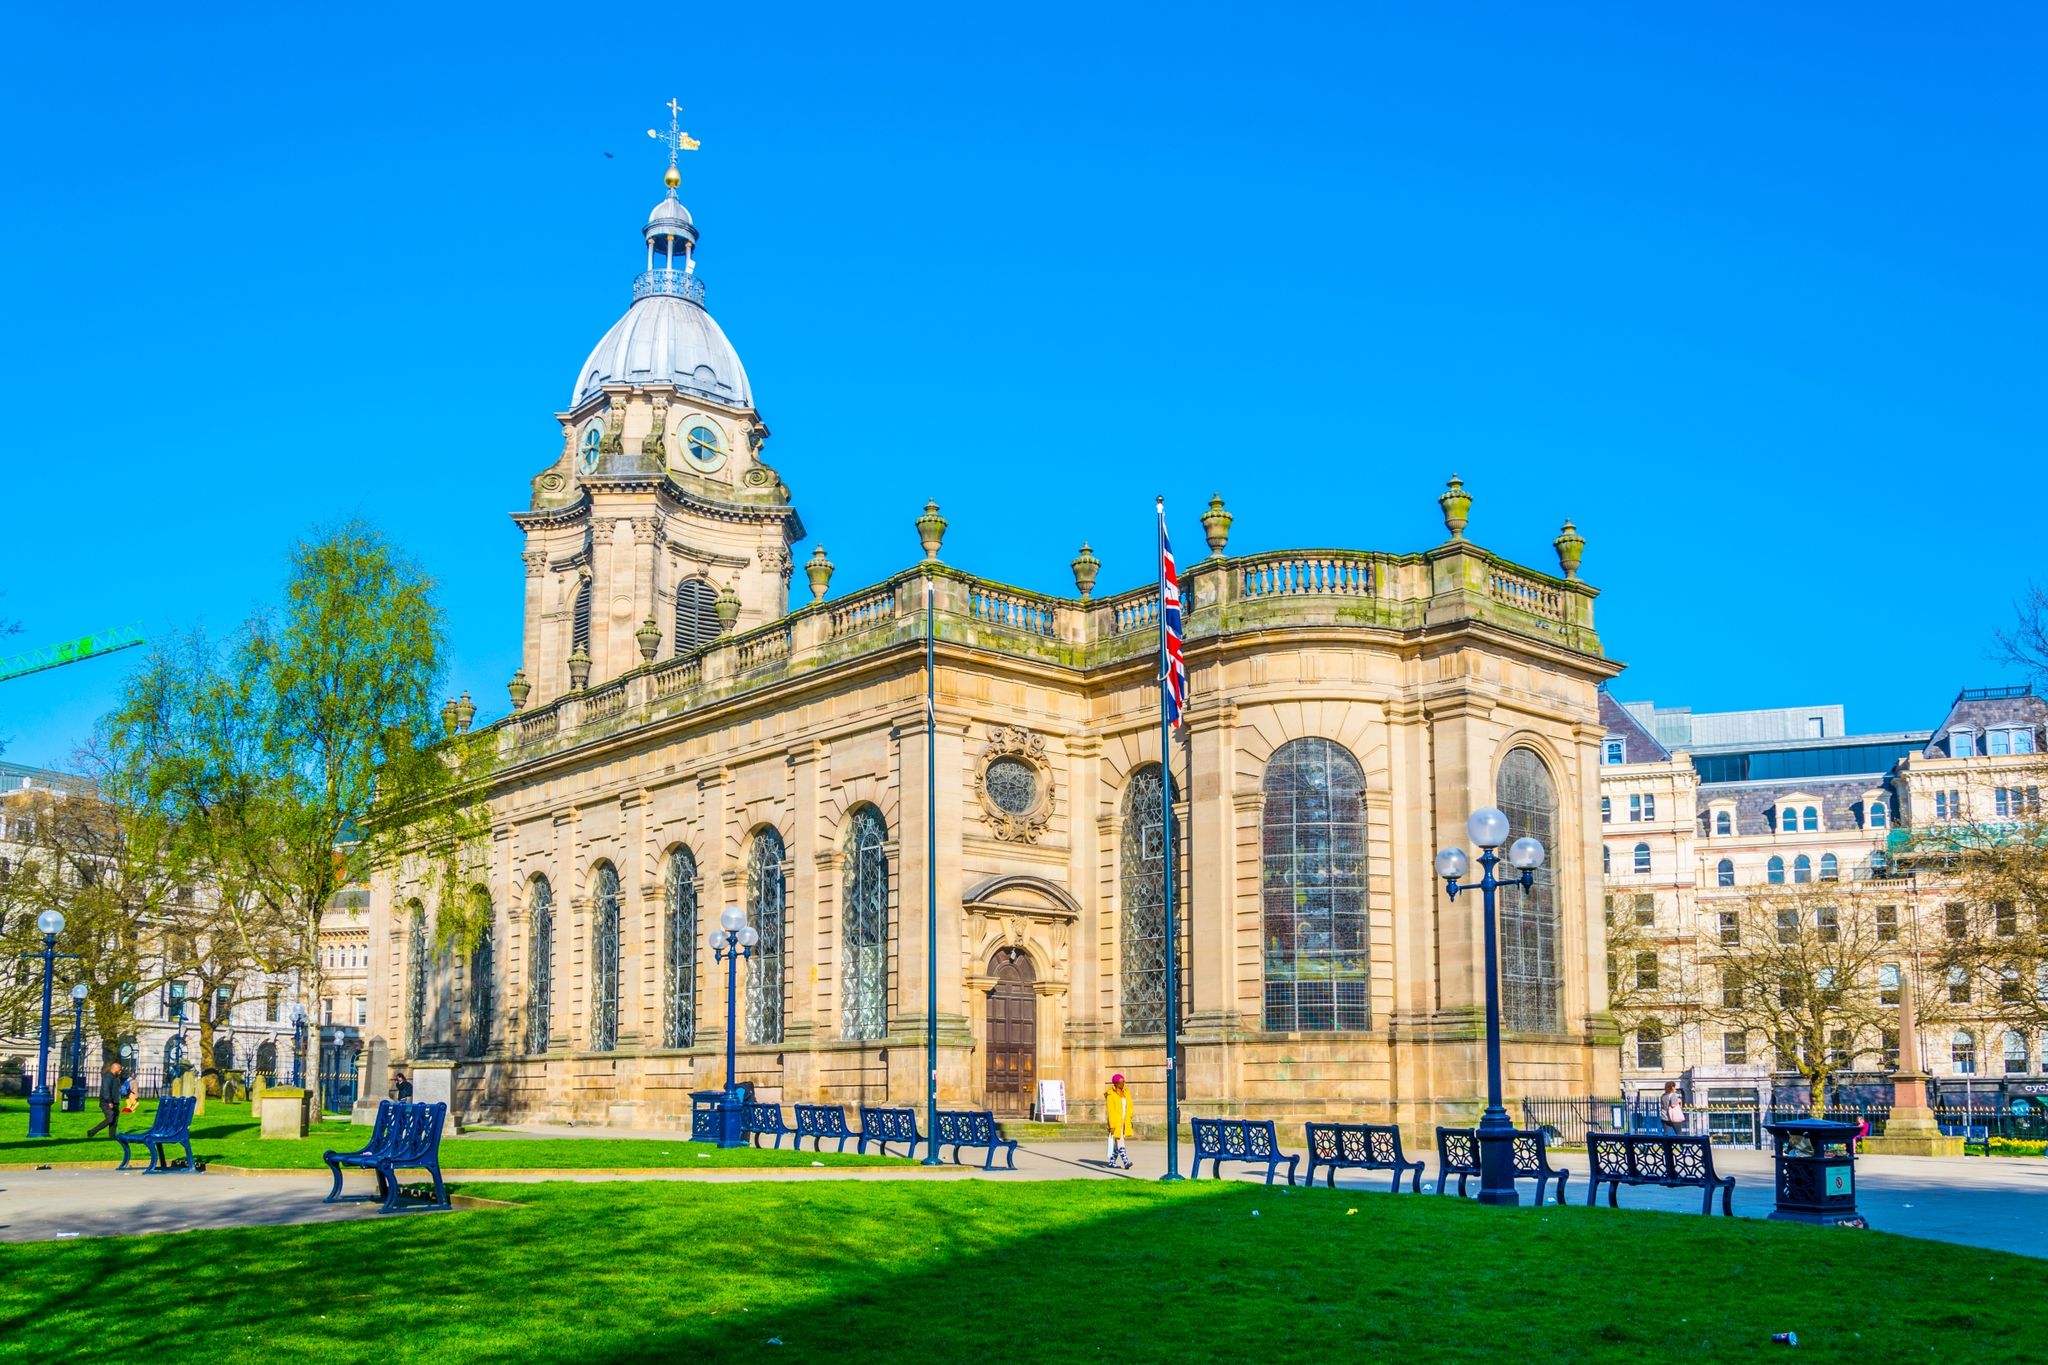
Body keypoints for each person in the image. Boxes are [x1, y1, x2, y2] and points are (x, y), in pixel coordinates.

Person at [86, 1061, 125, 1139]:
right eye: (119, 1070)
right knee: (110, 1119)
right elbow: (105, 1090)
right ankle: (92, 1132)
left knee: (114, 1120)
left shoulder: (114, 1078)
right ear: (115, 1069)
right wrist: (109, 1101)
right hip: (107, 1102)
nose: (120, 1072)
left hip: (115, 1101)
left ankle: (112, 1136)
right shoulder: (107, 1077)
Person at [1104, 1073, 1134, 1169]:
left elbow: (1130, 1107)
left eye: (1124, 1081)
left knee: (1118, 1143)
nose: (1123, 1083)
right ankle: (1126, 1161)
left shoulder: (1126, 1092)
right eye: (1121, 1082)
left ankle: (1112, 1161)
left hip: (1124, 1120)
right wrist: (1112, 1126)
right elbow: (1110, 1111)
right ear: (1116, 1083)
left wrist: (1130, 1119)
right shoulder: (1110, 1094)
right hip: (1116, 1122)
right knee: (1120, 1140)